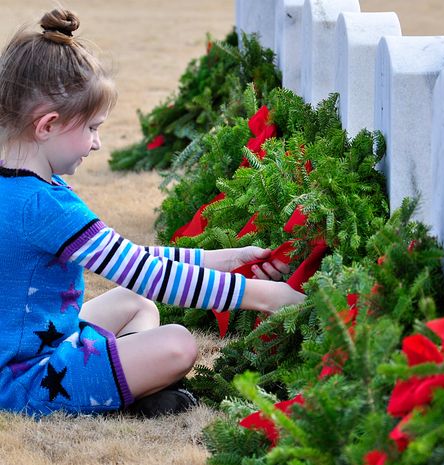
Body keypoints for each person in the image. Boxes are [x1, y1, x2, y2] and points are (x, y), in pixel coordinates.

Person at [0, 8, 305, 418]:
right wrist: (264, 297)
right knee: (178, 343)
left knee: (138, 304)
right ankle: (131, 392)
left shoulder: (24, 187)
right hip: (26, 379)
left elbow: (125, 257)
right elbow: (147, 272)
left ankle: (133, 385)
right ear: (48, 125)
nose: (97, 144)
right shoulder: (44, 206)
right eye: (92, 128)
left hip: (38, 341)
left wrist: (222, 259)